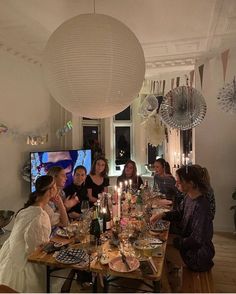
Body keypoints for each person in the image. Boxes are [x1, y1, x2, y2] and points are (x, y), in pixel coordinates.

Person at [151, 165, 215, 272]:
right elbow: (179, 213)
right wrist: (162, 215)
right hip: (190, 246)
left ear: (191, 183)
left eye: (179, 182)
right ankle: (170, 275)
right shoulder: (189, 196)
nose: (176, 185)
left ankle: (166, 286)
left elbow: (196, 240)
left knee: (159, 251)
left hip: (197, 255)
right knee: (160, 243)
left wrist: (173, 241)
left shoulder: (201, 206)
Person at [0, 175, 57, 292]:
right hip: (24, 262)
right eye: (55, 186)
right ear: (51, 190)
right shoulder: (40, 215)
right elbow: (35, 250)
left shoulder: (25, 210)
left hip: (9, 256)